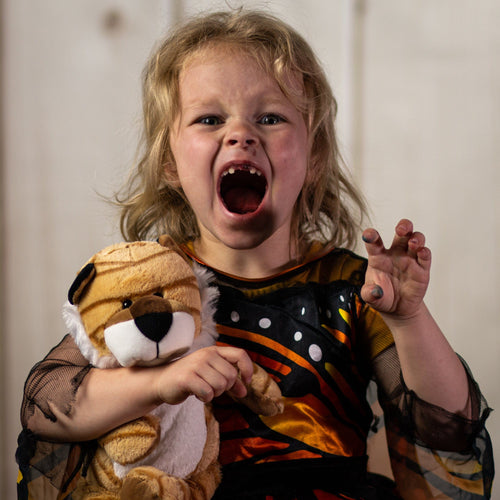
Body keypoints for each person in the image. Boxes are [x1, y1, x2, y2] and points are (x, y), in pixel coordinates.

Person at [17, 9, 493, 500]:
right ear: (169, 162)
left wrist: (409, 319)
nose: (240, 134)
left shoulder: (356, 291)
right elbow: (44, 402)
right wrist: (159, 383)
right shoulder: (150, 285)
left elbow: (451, 429)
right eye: (209, 118)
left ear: (314, 158)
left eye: (270, 117)